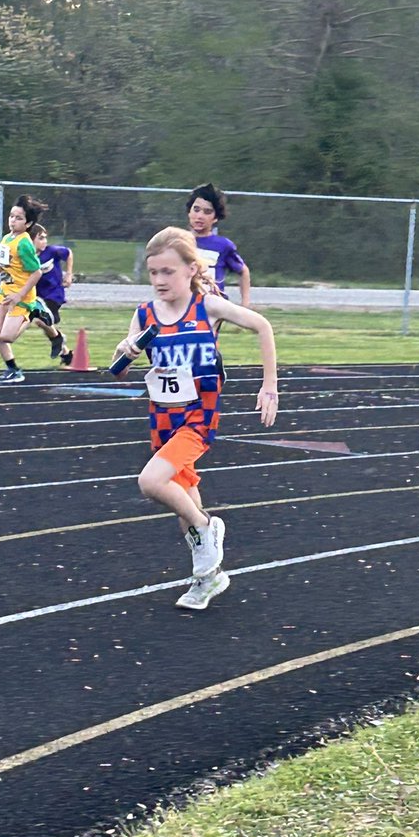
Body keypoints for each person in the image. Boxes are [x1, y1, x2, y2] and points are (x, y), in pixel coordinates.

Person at [111, 226, 278, 611]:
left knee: (151, 481)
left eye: (168, 272)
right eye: (153, 272)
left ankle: (208, 527)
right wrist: (125, 350)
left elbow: (262, 326)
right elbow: (120, 370)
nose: (159, 280)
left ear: (190, 270)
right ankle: (208, 579)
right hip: (162, 418)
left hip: (198, 418)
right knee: (184, 499)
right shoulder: (144, 315)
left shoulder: (207, 307)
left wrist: (269, 385)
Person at [0, 193, 48, 384]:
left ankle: (34, 314)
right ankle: (13, 369)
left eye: (18, 218)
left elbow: (36, 273)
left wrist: (19, 295)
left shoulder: (24, 244)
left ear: (28, 224)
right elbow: (0, 266)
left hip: (21, 296)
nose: (13, 220)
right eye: (11, 216)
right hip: (6, 292)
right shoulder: (6, 239)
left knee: (7, 336)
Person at [185, 182, 251, 306]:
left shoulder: (223, 246)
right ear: (189, 211)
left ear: (215, 217)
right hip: (185, 306)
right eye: (196, 209)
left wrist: (245, 304)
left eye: (207, 212)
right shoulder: (177, 241)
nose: (200, 216)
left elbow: (243, 271)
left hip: (213, 307)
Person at [30, 224, 75, 366]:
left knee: (41, 320)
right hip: (38, 296)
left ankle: (58, 339)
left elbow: (68, 253)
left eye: (45, 238)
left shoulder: (52, 251)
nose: (44, 241)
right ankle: (66, 354)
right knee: (45, 325)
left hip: (54, 294)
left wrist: (68, 274)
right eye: (40, 238)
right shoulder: (28, 257)